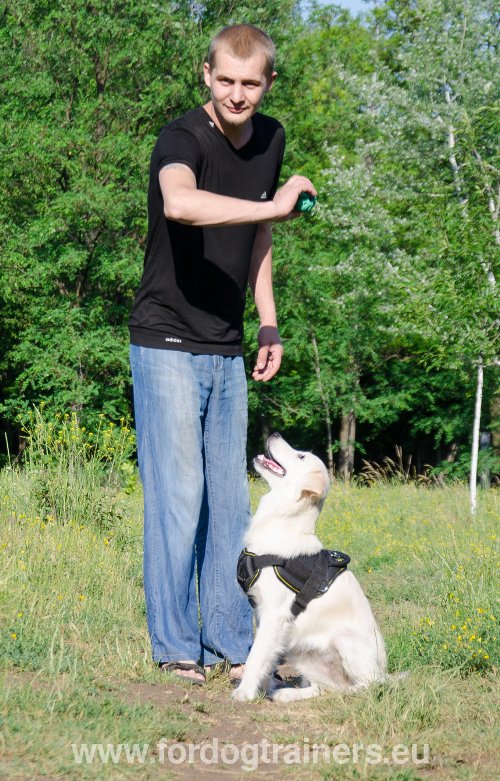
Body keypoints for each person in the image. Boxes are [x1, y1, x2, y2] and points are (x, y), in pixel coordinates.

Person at [129, 23, 316, 684]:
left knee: (231, 507)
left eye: (251, 83)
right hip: (165, 341)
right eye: (226, 80)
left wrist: (268, 322)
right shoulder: (180, 138)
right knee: (179, 498)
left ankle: (233, 643)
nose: (238, 95)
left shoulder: (270, 138)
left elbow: (260, 228)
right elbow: (180, 202)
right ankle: (177, 646)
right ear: (205, 74)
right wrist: (274, 204)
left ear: (268, 83)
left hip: (227, 344)